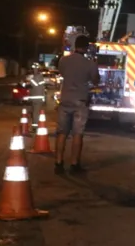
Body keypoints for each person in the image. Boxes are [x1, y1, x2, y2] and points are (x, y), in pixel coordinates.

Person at [55, 35, 99, 175]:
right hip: (80, 102)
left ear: (75, 46)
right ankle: (74, 165)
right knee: (77, 134)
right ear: (86, 48)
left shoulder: (64, 60)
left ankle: (58, 163)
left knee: (62, 133)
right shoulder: (89, 63)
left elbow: (62, 73)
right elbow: (96, 80)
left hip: (65, 100)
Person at [28, 62, 46, 127]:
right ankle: (35, 125)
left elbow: (35, 85)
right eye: (33, 69)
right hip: (35, 98)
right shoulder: (39, 77)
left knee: (35, 112)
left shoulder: (37, 77)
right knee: (34, 112)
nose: (33, 70)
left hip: (37, 98)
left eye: (35, 69)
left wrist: (30, 80)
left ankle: (35, 126)